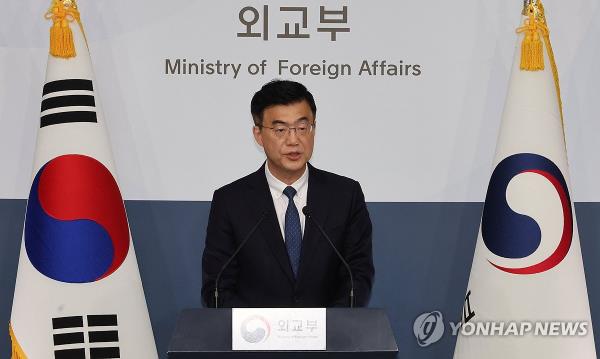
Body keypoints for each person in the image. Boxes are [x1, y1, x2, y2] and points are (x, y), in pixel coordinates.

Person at [201, 80, 374, 308]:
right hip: (255, 340)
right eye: (281, 130)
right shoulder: (231, 201)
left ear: (314, 129)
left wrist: (326, 329)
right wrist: (260, 331)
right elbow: (217, 286)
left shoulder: (345, 195)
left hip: (330, 339)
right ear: (259, 135)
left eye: (302, 128)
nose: (293, 140)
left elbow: (357, 275)